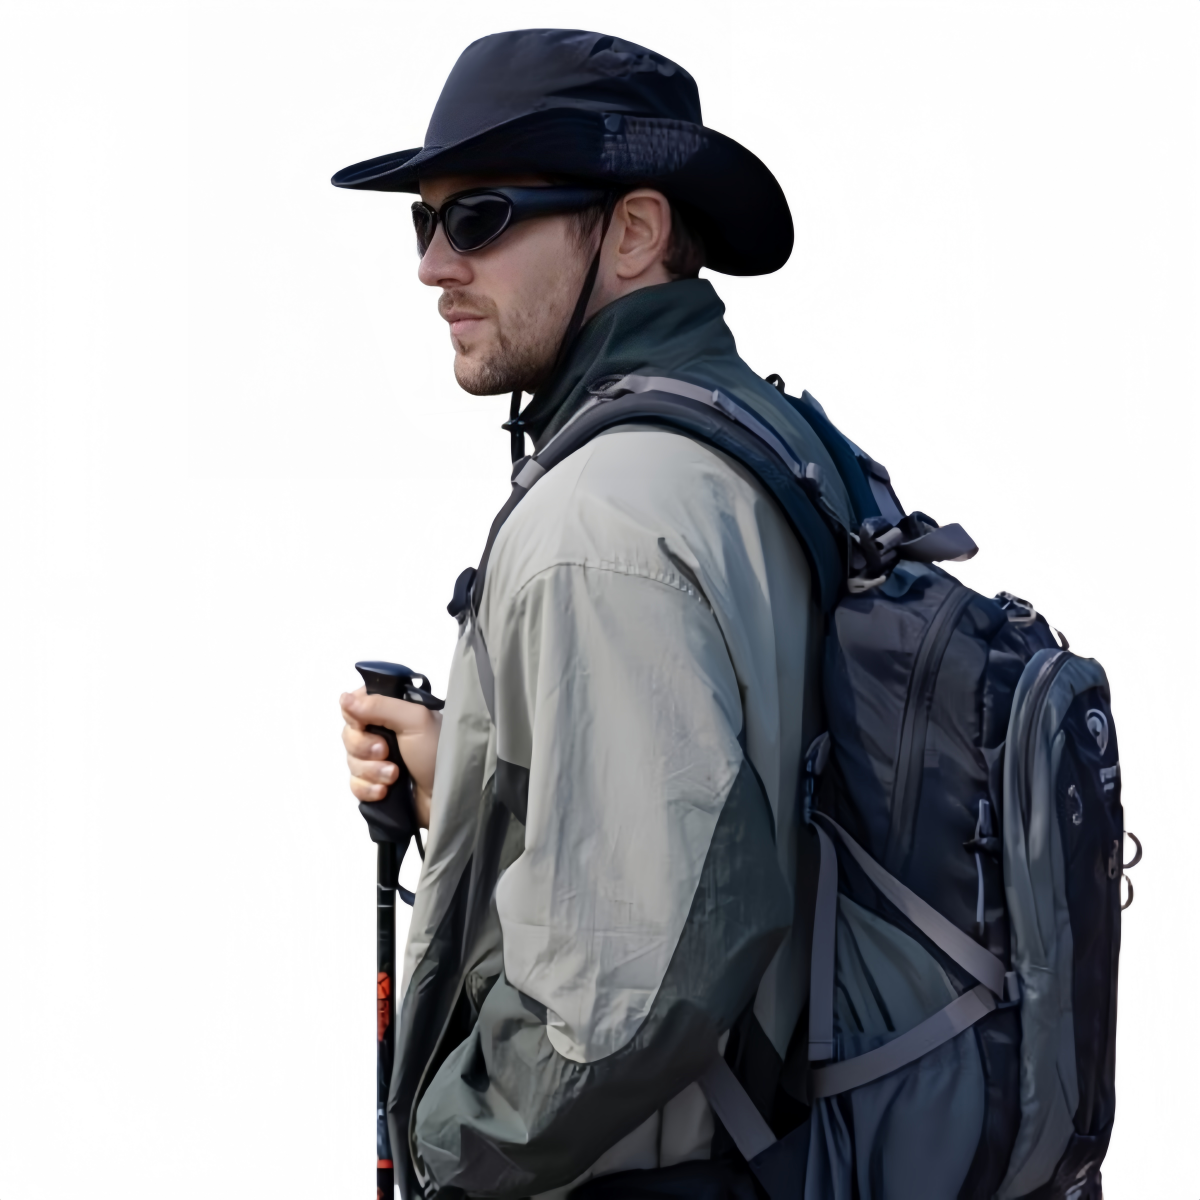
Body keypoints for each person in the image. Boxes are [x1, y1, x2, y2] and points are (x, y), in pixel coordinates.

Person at [335, 29, 846, 1198]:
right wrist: (466, 782)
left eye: (479, 218)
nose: (434, 266)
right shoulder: (772, 446)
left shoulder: (599, 523)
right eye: (425, 222)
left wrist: (443, 1144)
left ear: (633, 230)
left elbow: (621, 997)